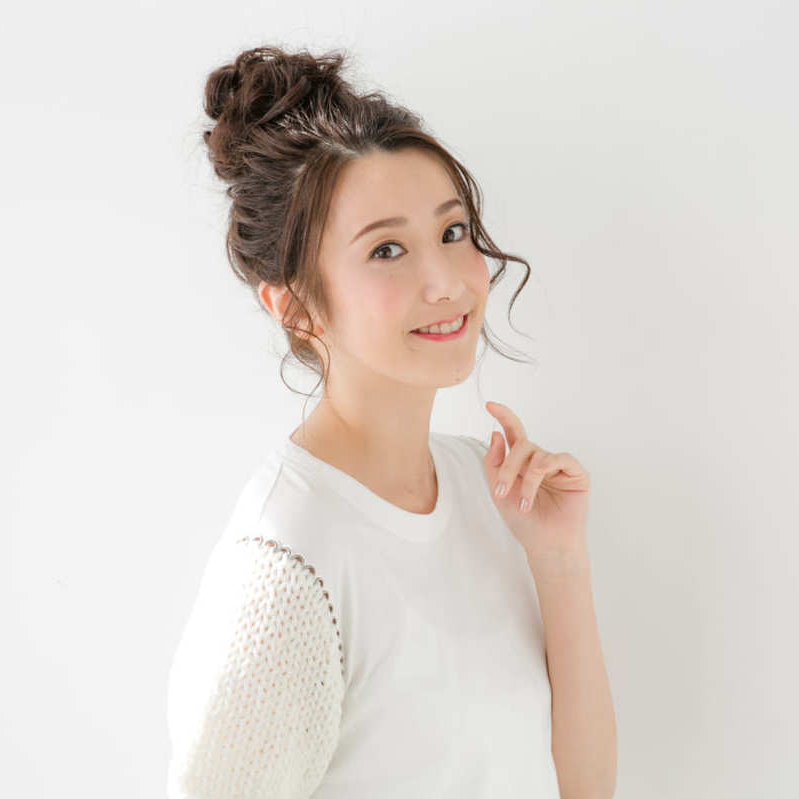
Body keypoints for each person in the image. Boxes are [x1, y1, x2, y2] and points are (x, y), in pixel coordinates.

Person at [166, 45, 614, 799]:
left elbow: (583, 788)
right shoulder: (287, 568)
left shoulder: (487, 488)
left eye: (452, 232)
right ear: (295, 307)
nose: (445, 282)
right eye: (387, 249)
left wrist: (559, 560)